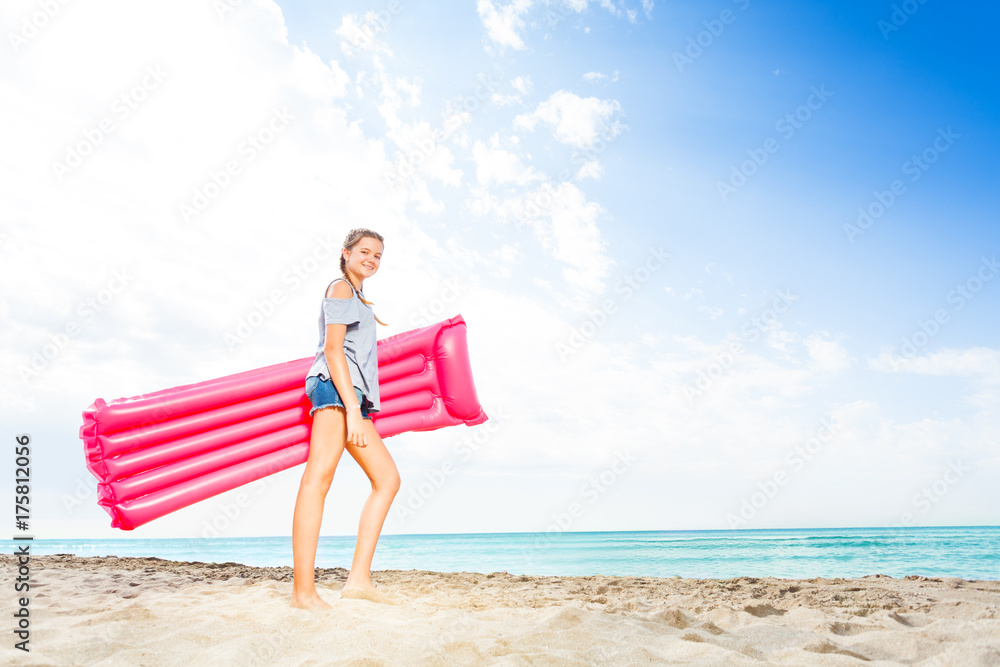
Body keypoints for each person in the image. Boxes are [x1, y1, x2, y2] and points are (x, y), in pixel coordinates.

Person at [290, 228, 400, 609]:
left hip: (352, 396)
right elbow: (333, 349)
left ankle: (358, 580)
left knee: (387, 479)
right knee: (318, 479)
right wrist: (353, 407)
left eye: (378, 255)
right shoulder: (339, 288)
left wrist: (359, 404)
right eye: (365, 251)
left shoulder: (357, 296)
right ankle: (303, 593)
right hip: (336, 390)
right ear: (347, 253)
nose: (371, 259)